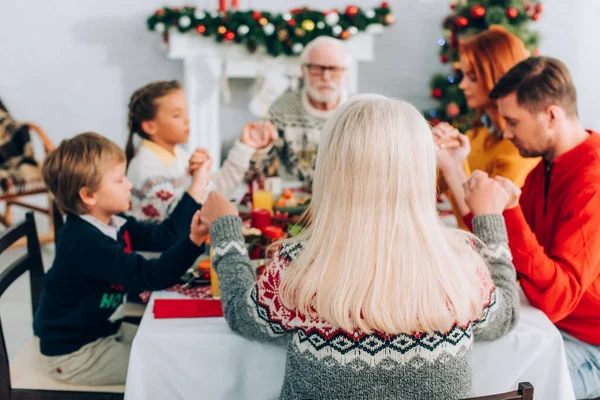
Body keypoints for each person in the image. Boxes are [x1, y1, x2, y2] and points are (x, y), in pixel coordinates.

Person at [199, 95, 519, 399]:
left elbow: (244, 317)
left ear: (330, 170)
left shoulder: (297, 267)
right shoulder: (461, 265)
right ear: (420, 170)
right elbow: (504, 319)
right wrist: (489, 219)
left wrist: (226, 229)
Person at [33, 132, 211, 385]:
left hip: (104, 332)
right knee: (171, 366)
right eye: (119, 180)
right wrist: (195, 240)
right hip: (76, 354)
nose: (129, 185)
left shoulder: (112, 222)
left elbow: (164, 236)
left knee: (175, 344)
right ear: (88, 195)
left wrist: (198, 184)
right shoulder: (84, 242)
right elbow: (151, 276)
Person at [471, 56, 600, 400]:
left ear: (552, 115)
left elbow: (558, 299)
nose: (507, 132)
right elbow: (506, 255)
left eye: (513, 121)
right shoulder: (544, 169)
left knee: (499, 387)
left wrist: (509, 210)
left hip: (589, 344)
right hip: (548, 327)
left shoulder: (593, 182)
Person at [434, 25, 539, 230]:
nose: (462, 85)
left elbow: (489, 229)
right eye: (463, 75)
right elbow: (433, 187)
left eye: (472, 77)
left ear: (498, 76)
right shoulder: (477, 134)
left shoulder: (520, 149)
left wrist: (454, 164)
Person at [126, 80, 275, 222]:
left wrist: (245, 146)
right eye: (177, 115)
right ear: (150, 127)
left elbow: (215, 192)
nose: (187, 120)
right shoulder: (147, 172)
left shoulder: (178, 156)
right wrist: (199, 179)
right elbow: (185, 220)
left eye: (186, 112)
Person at [248, 36, 350, 187]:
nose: (326, 77)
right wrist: (260, 149)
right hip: (295, 199)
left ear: (345, 73)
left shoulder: (355, 111)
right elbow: (258, 173)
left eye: (334, 69)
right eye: (317, 68)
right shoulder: (281, 108)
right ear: (303, 71)